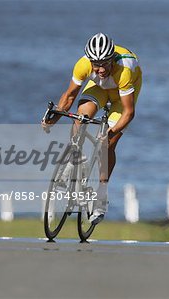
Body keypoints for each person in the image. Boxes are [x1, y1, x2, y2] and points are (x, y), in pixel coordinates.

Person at [42, 33, 142, 224]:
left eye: (105, 63)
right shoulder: (83, 64)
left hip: (123, 96)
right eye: (96, 64)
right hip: (99, 89)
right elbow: (69, 96)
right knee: (81, 115)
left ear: (111, 59)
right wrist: (53, 118)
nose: (101, 69)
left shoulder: (124, 70)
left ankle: (101, 196)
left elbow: (129, 113)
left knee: (107, 145)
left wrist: (110, 133)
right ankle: (75, 156)